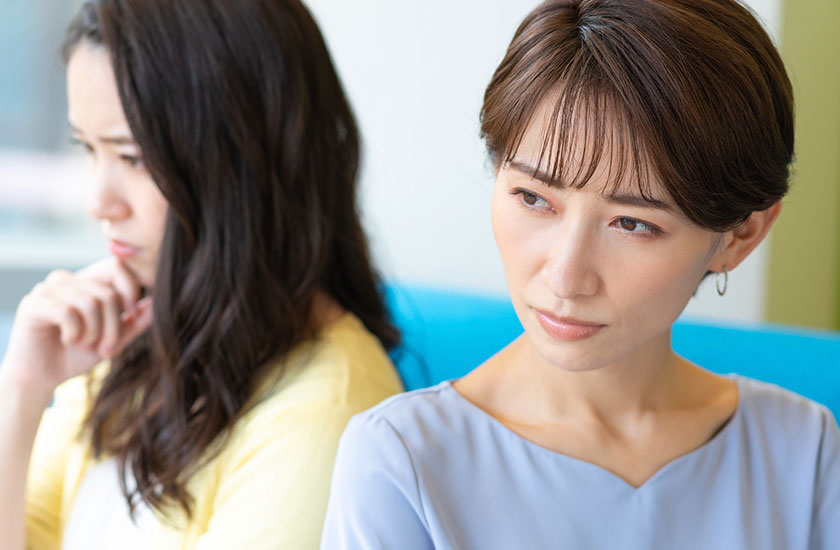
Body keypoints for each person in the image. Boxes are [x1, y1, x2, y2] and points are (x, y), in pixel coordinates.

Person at [321, 0, 840, 548]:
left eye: (633, 223)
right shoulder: (401, 461)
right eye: (532, 197)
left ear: (740, 235)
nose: (567, 278)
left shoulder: (801, 451)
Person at [0, 0, 404, 548]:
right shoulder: (131, 337)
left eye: (134, 158)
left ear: (243, 164)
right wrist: (22, 391)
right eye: (89, 150)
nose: (99, 201)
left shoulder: (325, 413)